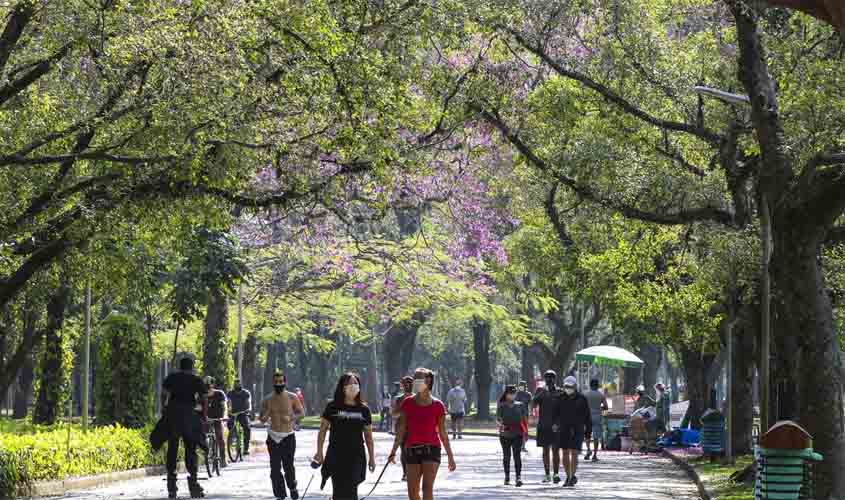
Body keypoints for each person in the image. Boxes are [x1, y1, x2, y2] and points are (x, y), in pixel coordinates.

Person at [389, 368, 456, 500]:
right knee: (412, 492)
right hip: (411, 450)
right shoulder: (407, 403)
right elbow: (401, 430)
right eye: (416, 378)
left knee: (427, 488)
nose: (417, 381)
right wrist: (393, 451)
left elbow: (442, 433)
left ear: (428, 381)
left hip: (431, 450)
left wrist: (450, 456)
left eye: (421, 377)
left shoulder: (438, 405)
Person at [314, 373, 376, 500]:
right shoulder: (332, 407)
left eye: (355, 383)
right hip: (336, 455)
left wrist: (372, 458)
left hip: (356, 456)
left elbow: (368, 436)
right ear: (342, 387)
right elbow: (322, 430)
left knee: (352, 490)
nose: (353, 386)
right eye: (349, 383)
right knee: (339, 490)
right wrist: (319, 452)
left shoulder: (364, 410)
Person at [161, 357, 207, 499]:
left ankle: (172, 487)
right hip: (189, 416)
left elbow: (164, 393)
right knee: (191, 449)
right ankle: (193, 485)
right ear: (191, 367)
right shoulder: (196, 380)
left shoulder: (172, 378)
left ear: (180, 367)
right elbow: (203, 397)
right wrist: (201, 414)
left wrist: (165, 408)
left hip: (173, 415)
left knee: (172, 449)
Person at [260, 372, 305, 500]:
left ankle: (292, 486)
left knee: (288, 466)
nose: (279, 384)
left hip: (288, 437)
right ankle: (280, 495)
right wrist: (267, 413)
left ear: (285, 382)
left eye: (281, 381)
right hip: (273, 436)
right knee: (275, 469)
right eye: (276, 382)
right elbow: (262, 420)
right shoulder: (267, 399)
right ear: (273, 383)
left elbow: (302, 413)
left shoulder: (292, 397)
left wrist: (291, 417)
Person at [554, 376, 591, 488]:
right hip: (564, 428)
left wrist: (588, 433)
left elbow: (587, 417)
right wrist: (554, 424)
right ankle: (568, 476)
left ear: (575, 386)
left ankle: (571, 476)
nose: (568, 388)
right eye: (566, 386)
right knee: (565, 452)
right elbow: (555, 414)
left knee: (574, 453)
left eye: (570, 386)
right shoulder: (560, 398)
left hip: (577, 429)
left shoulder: (582, 399)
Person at [532, 370, 562, 483]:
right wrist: (541, 393)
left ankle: (556, 473)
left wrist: (558, 424)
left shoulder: (560, 392)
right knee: (545, 451)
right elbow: (533, 404)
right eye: (547, 378)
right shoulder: (540, 391)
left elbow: (563, 411)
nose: (549, 380)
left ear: (555, 379)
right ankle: (547, 474)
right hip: (543, 425)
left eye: (552, 378)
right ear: (545, 379)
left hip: (555, 426)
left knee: (555, 450)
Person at [497, 385, 527, 487]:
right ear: (506, 394)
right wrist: (501, 424)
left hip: (518, 433)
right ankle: (507, 477)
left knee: (517, 455)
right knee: (507, 456)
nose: (512, 395)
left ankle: (518, 477)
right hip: (505, 434)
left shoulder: (520, 405)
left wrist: (525, 432)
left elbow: (524, 419)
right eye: (510, 393)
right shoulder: (501, 405)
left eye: (514, 393)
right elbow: (498, 419)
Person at [204, 376, 228, 468]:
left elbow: (224, 406)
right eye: (205, 386)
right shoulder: (202, 395)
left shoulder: (219, 394)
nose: (207, 388)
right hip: (207, 419)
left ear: (212, 385)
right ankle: (206, 455)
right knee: (201, 436)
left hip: (218, 418)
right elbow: (197, 406)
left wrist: (225, 416)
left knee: (220, 437)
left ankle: (223, 458)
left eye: (209, 385)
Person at [393, 376, 414, 481]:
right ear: (402, 385)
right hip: (402, 429)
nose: (408, 385)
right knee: (404, 451)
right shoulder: (398, 399)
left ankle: (413, 472)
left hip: (414, 429)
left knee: (413, 451)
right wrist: (403, 407)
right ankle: (405, 472)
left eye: (410, 382)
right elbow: (394, 414)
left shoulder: (417, 398)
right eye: (405, 383)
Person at [583, 379, 608, 462]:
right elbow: (606, 407)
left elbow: (582, 406)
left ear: (590, 385)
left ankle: (588, 449)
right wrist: (598, 408)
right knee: (596, 436)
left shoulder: (586, 394)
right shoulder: (601, 395)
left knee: (587, 434)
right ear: (597, 385)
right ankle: (594, 455)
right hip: (597, 416)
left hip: (587, 416)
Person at [227, 379, 252, 456]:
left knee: (247, 428)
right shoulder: (230, 393)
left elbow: (248, 402)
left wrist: (248, 409)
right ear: (234, 385)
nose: (237, 385)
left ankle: (246, 448)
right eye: (235, 384)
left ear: (241, 384)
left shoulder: (246, 393)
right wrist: (228, 410)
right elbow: (228, 403)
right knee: (230, 424)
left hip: (243, 413)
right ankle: (233, 438)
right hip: (233, 414)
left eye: (238, 384)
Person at [514, 381, 532, 452]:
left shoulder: (528, 394)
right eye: (520, 386)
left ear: (525, 387)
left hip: (525, 415)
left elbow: (530, 404)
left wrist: (531, 413)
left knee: (524, 431)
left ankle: (523, 446)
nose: (521, 387)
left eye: (522, 386)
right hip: (516, 415)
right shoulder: (515, 394)